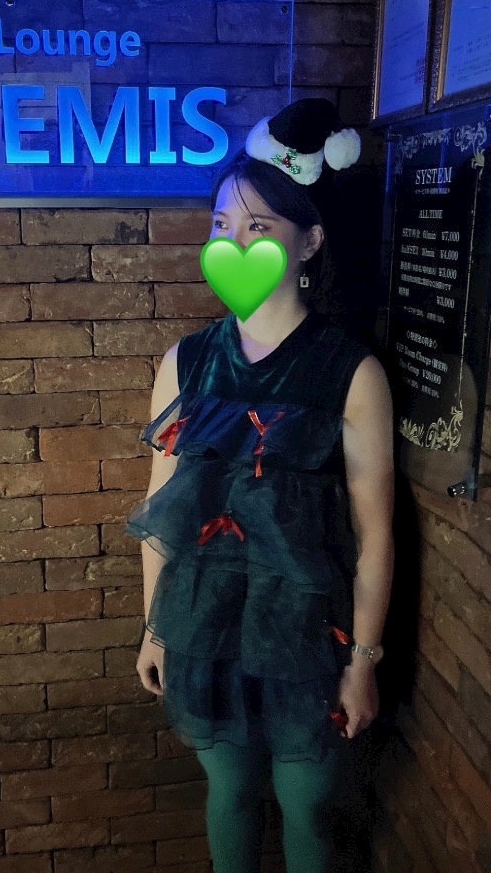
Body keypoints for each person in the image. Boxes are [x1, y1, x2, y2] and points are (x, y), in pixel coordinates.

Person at [127, 98, 395, 873]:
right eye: (222, 225)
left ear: (309, 240)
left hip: (310, 634)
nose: (233, 242)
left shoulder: (351, 371)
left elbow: (376, 532)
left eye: (257, 226)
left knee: (307, 801)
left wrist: (363, 661)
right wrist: (154, 629)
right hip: (202, 621)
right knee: (231, 790)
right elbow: (161, 511)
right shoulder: (184, 363)